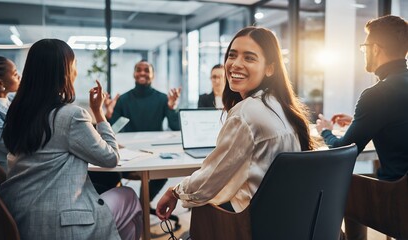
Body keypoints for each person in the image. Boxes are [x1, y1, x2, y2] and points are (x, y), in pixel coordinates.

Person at [156, 26, 315, 219]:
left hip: (253, 224)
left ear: (270, 68)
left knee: (202, 207)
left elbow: (210, 180)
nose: (235, 64)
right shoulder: (285, 108)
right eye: (232, 55)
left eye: (249, 58)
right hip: (288, 218)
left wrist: (174, 191)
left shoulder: (246, 113)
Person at [0, 39, 143, 240]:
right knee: (128, 196)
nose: (76, 70)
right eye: (74, 64)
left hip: (23, 217)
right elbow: (110, 158)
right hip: (60, 223)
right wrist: (98, 114)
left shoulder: (17, 113)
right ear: (64, 71)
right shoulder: (71, 115)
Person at [316, 15, 408, 240]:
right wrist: (361, 121)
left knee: (349, 183)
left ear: (375, 49)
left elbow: (343, 151)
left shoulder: (378, 94)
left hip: (399, 202)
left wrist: (325, 130)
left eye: (364, 46)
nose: (364, 51)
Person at [103, 60, 181, 202]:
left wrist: (171, 107)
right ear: (134, 74)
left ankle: (141, 204)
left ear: (153, 75)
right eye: (139, 70)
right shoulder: (123, 100)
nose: (142, 73)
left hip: (154, 152)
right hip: (128, 153)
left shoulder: (163, 98)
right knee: (112, 173)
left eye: (146, 70)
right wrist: (108, 114)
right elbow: (113, 129)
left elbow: (175, 126)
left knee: (163, 172)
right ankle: (130, 205)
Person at [0, 56, 20, 171]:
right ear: (0, 83)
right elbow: (9, 144)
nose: (19, 77)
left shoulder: (11, 99)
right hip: (6, 172)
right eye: (15, 74)